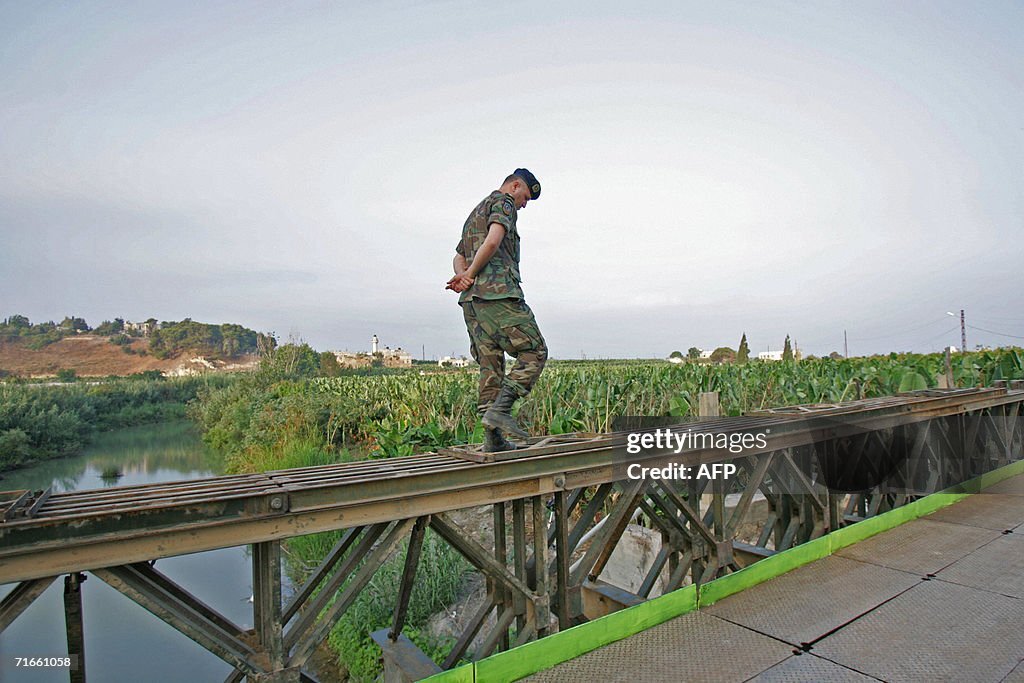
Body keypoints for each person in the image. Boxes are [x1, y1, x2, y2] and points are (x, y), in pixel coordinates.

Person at [446, 169, 548, 452]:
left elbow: (458, 256)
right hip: (498, 295)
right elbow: (493, 240)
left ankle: (493, 441)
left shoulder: (474, 213)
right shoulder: (503, 203)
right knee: (535, 350)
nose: (523, 204)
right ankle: (501, 410)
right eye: (525, 197)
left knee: (491, 367)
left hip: (472, 304)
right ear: (515, 186)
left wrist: (464, 276)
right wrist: (473, 272)